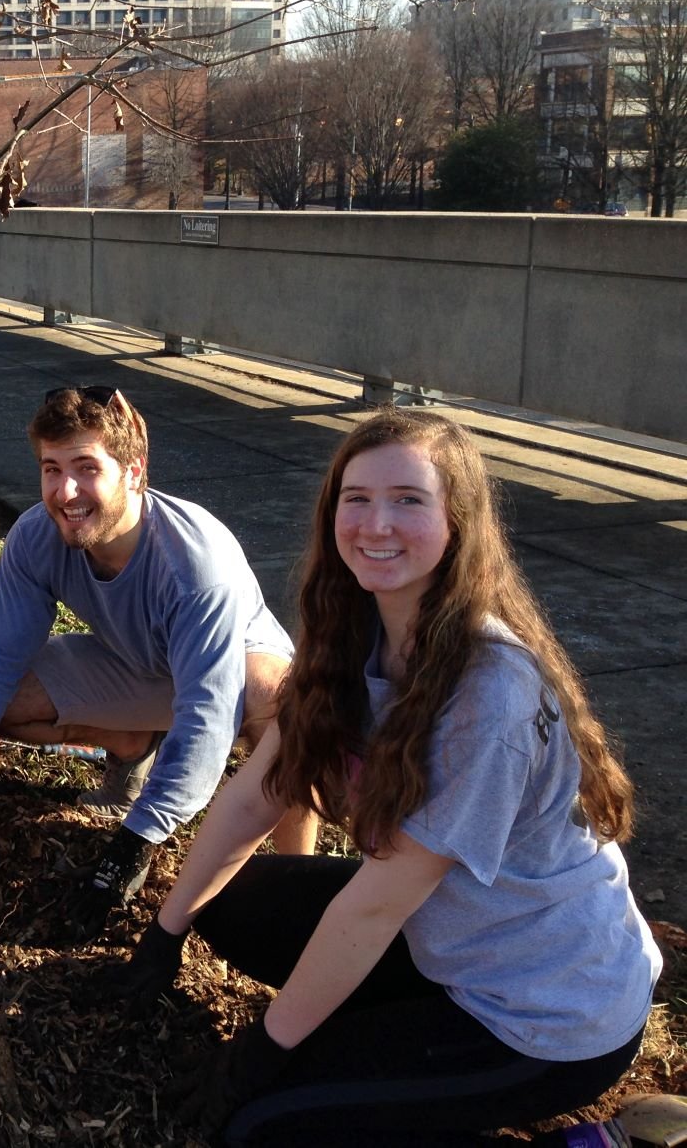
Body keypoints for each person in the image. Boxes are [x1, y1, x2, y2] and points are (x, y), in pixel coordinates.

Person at [115, 409, 662, 1147]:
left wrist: (262, 1053)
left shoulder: (490, 695)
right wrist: (163, 933)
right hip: (445, 937)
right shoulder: (354, 627)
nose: (377, 523)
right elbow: (258, 791)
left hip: (544, 1011)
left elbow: (371, 911)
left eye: (409, 499)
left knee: (265, 1127)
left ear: (457, 521)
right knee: (229, 903)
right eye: (357, 498)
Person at [0, 386, 313, 940]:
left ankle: (302, 875)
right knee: (6, 702)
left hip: (232, 672)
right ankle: (131, 747)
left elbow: (208, 712)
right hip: (138, 666)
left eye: (86, 467)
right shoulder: (36, 537)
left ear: (133, 472)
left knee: (284, 702)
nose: (65, 491)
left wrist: (135, 840)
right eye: (51, 468)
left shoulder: (196, 566)